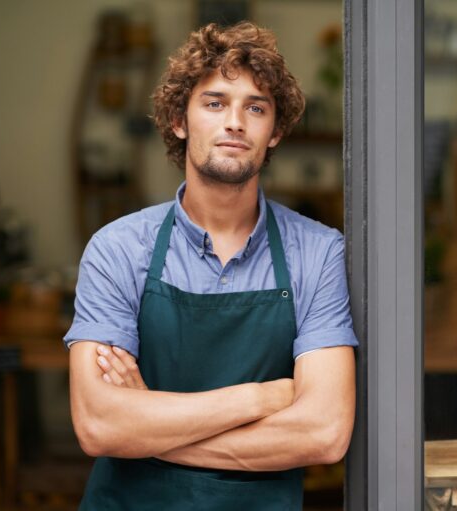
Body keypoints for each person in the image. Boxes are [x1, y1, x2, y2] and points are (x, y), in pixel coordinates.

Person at [64, 21, 357, 510]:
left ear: (276, 132)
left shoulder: (318, 252)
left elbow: (324, 433)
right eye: (215, 102)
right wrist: (258, 400)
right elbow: (98, 426)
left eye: (256, 108)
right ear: (181, 120)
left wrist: (148, 429)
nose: (235, 122)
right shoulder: (117, 249)